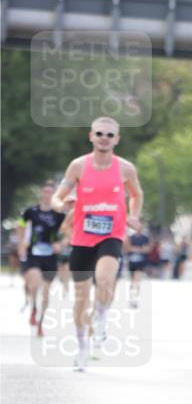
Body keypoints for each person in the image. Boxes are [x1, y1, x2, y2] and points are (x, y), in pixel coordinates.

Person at [51, 115, 143, 371]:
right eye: (99, 133)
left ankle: (101, 315)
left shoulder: (125, 169)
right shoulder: (78, 166)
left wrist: (133, 216)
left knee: (104, 279)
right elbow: (57, 199)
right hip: (81, 238)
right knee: (80, 299)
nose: (104, 138)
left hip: (112, 234)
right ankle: (82, 349)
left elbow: (137, 194)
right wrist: (64, 204)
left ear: (117, 140)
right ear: (91, 136)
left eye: (110, 135)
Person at [17, 181, 65, 336]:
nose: (47, 195)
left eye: (50, 192)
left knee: (45, 292)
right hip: (33, 254)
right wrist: (21, 242)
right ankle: (33, 308)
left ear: (54, 194)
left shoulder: (59, 215)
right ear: (41, 193)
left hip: (50, 256)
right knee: (34, 284)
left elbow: (69, 231)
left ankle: (41, 322)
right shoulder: (31, 211)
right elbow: (20, 225)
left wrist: (61, 243)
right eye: (45, 191)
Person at [124, 222, 152, 307]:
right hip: (132, 261)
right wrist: (139, 249)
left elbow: (148, 249)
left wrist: (137, 249)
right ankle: (131, 297)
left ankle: (135, 298)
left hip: (141, 262)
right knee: (132, 281)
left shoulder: (145, 238)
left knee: (137, 280)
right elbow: (127, 248)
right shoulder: (130, 237)